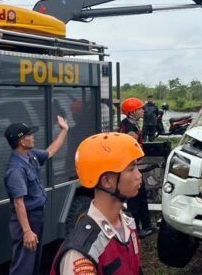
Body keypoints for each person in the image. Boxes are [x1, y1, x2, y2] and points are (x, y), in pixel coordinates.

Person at [50, 132, 145, 274]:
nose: (139, 175)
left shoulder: (127, 221)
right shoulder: (82, 252)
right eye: (131, 169)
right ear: (107, 181)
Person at [4, 116, 70, 275]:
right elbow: (19, 203)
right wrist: (27, 231)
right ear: (21, 141)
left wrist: (64, 130)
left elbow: (50, 151)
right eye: (29, 135)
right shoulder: (16, 170)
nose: (33, 137)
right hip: (27, 220)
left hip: (36, 217)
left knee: (33, 263)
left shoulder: (31, 155)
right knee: (23, 266)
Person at [118, 97, 157, 238]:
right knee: (135, 199)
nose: (143, 111)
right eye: (140, 109)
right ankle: (137, 229)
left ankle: (146, 226)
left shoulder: (131, 125)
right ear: (132, 112)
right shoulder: (129, 130)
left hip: (133, 167)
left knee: (141, 197)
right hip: (130, 168)